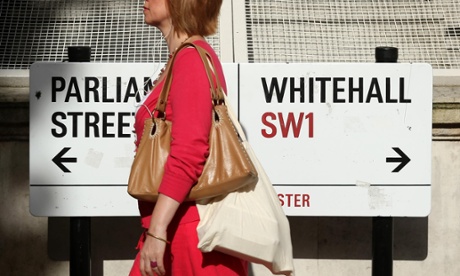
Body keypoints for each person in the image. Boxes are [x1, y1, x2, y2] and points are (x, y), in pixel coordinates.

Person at [129, 0, 248, 275]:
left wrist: (157, 232)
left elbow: (189, 152)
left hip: (191, 236)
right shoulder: (182, 59)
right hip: (176, 228)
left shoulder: (191, 59)